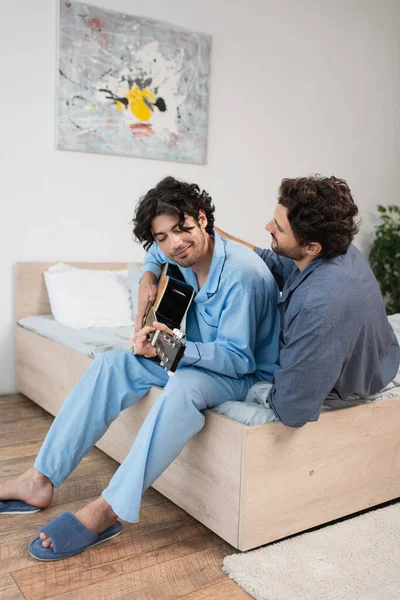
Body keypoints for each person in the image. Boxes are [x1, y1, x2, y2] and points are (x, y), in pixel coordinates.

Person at [0, 176, 280, 561]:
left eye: (181, 229)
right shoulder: (175, 253)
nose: (174, 244)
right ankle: (40, 478)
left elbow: (239, 358)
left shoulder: (242, 275)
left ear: (203, 220)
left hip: (241, 373)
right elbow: (156, 254)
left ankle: (108, 509)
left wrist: (176, 349)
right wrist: (149, 275)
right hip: (190, 355)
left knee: (182, 389)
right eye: (162, 237)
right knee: (113, 364)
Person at [215, 175, 400, 427]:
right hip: (381, 357)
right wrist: (215, 237)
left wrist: (257, 388)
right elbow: (273, 263)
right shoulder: (338, 246)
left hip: (353, 387)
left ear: (312, 247)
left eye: (279, 228)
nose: (268, 226)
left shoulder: (315, 307)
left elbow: (293, 410)